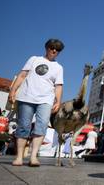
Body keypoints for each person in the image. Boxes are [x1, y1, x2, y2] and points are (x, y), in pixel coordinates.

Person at [8, 38, 64, 167]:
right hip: (26, 97)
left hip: (46, 99)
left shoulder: (58, 67)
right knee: (23, 126)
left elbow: (58, 86)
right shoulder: (34, 59)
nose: (54, 50)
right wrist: (13, 91)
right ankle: (19, 157)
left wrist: (58, 101)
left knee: (42, 125)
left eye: (57, 49)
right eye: (52, 47)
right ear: (47, 48)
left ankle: (33, 157)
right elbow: (22, 75)